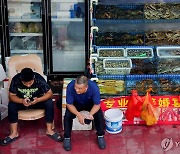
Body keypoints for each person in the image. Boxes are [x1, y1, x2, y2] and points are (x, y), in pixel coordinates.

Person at [0, 68, 63, 146]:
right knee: (12, 105)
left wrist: (38, 99)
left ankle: (49, 130)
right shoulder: (16, 79)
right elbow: (11, 96)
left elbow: (49, 93)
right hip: (22, 102)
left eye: (30, 83)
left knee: (49, 103)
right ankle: (14, 133)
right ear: (21, 79)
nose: (28, 85)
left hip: (36, 101)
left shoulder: (38, 79)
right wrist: (21, 101)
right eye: (25, 83)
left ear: (33, 78)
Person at [63, 75, 106, 151]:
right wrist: (78, 114)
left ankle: (100, 135)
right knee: (67, 116)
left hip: (90, 103)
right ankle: (67, 137)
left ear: (86, 87)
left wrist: (90, 115)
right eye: (75, 87)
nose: (76, 90)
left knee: (99, 115)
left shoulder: (94, 88)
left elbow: (97, 105)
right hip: (76, 103)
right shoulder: (70, 86)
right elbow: (69, 104)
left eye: (79, 88)